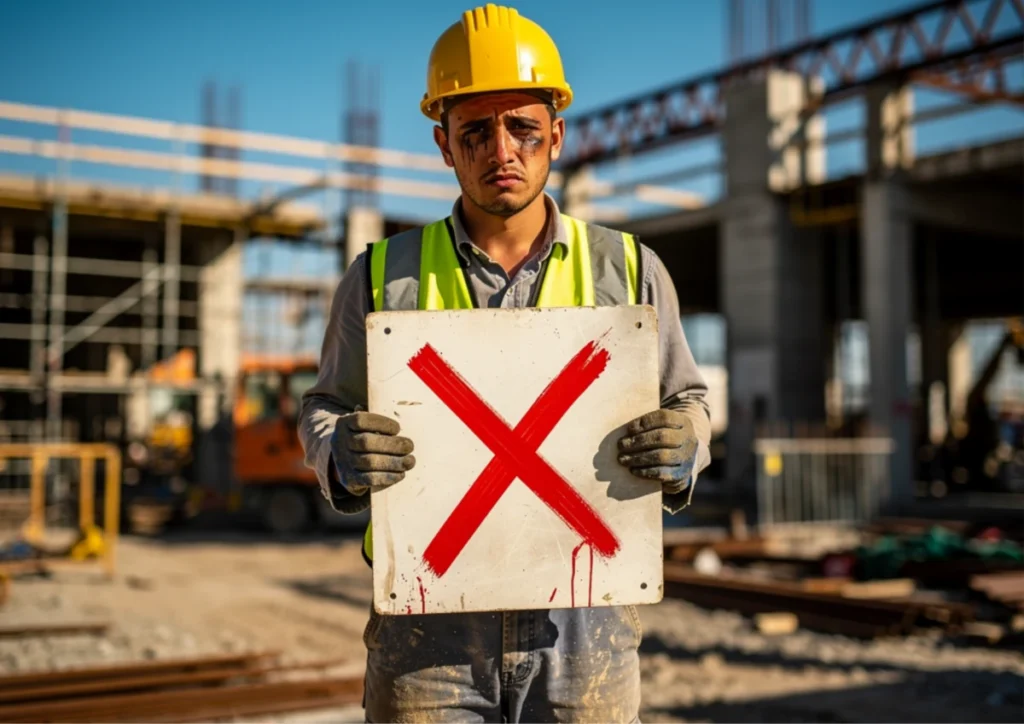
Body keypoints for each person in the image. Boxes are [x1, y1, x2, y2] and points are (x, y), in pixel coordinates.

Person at [299, 4, 711, 721]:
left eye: (522, 127)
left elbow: (689, 402)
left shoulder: (629, 269)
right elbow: (324, 406)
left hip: (586, 623)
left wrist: (686, 445)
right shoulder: (380, 277)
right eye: (475, 132)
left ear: (557, 135)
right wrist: (338, 450)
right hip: (427, 630)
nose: (502, 151)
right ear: (443, 144)